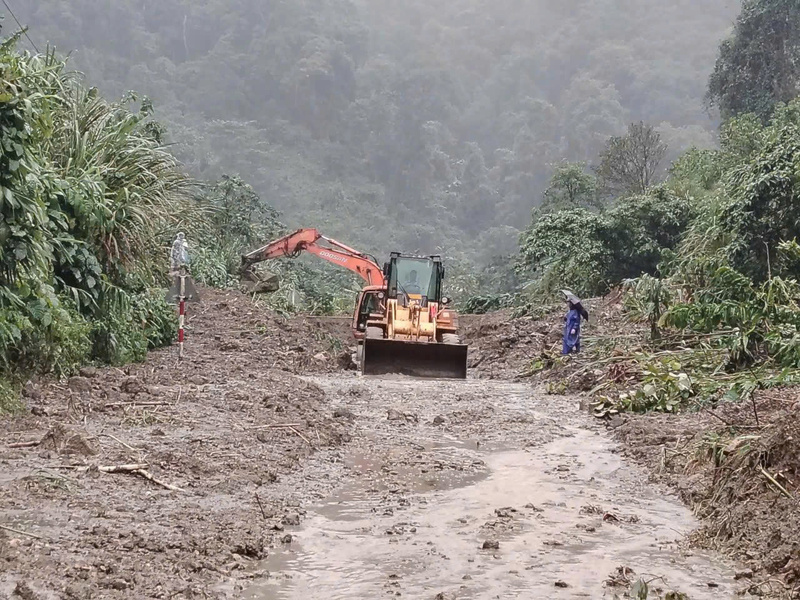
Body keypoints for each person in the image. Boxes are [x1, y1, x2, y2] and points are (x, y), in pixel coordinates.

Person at [562, 290, 589, 355]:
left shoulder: (575, 312)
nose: (568, 304)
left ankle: (573, 349)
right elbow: (568, 318)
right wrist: (565, 318)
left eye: (569, 303)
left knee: (573, 339)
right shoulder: (570, 311)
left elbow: (577, 321)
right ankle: (567, 350)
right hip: (568, 327)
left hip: (572, 327)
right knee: (568, 338)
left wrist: (574, 328)